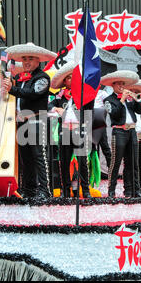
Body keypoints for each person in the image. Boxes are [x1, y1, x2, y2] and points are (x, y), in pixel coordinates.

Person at [2, 43, 57, 199]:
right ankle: (29, 189)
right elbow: (19, 94)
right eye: (24, 58)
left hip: (36, 120)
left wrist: (11, 89)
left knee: (39, 156)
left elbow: (32, 93)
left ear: (38, 61)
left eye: (30, 59)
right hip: (22, 121)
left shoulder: (43, 77)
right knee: (26, 158)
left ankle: (45, 190)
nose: (26, 62)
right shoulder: (21, 79)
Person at [48, 62, 92, 198]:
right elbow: (48, 106)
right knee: (64, 162)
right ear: (65, 81)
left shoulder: (83, 95)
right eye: (69, 78)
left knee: (82, 162)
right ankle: (66, 191)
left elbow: (89, 111)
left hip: (79, 130)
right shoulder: (59, 98)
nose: (72, 80)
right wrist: (57, 109)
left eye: (74, 77)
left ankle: (85, 190)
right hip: (65, 132)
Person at [102, 70, 141, 198]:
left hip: (132, 131)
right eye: (118, 84)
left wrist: (135, 99)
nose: (121, 87)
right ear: (112, 86)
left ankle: (133, 190)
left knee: (133, 162)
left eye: (123, 84)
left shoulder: (130, 99)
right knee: (116, 162)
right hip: (119, 131)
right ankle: (111, 190)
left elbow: (139, 111)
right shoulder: (108, 100)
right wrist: (122, 100)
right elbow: (114, 113)